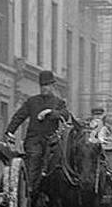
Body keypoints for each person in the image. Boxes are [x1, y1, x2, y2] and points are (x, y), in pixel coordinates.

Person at [5, 69, 66, 199]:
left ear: (52, 86)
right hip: (34, 141)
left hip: (52, 142)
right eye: (43, 86)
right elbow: (19, 116)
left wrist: (50, 112)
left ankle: (58, 192)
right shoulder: (32, 102)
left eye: (47, 85)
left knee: (58, 164)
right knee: (34, 161)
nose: (44, 88)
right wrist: (10, 131)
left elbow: (65, 115)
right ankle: (30, 194)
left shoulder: (58, 102)